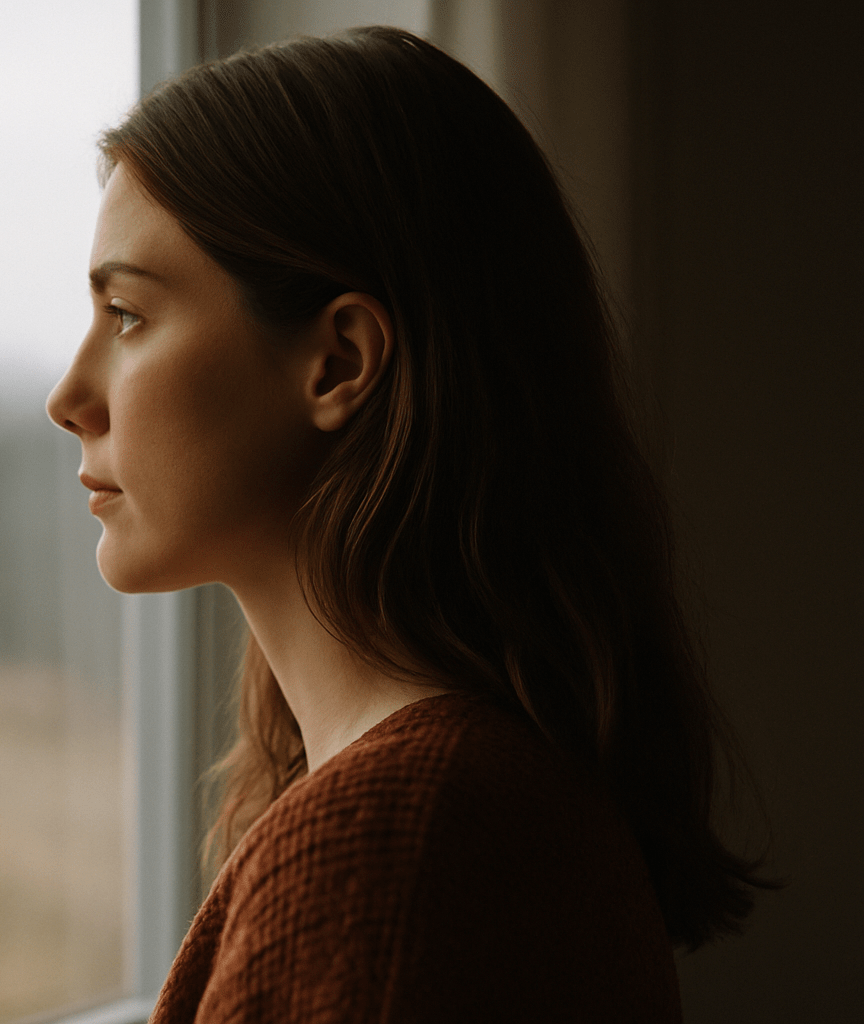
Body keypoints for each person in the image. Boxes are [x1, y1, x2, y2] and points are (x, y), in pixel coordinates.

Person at [45, 25, 769, 1023]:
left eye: (127, 315)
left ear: (340, 362)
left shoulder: (391, 845)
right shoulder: (474, 796)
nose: (68, 398)